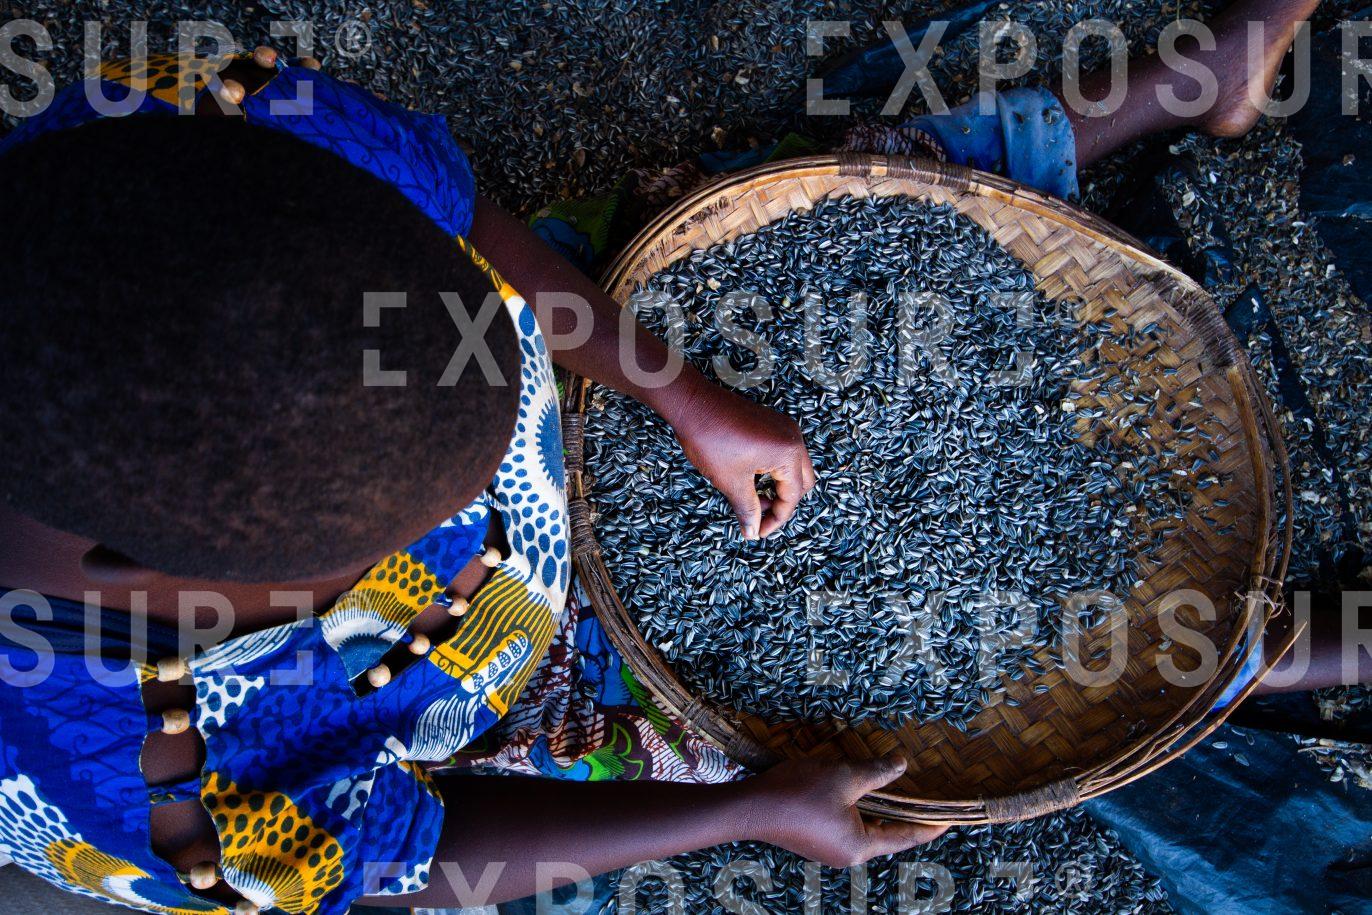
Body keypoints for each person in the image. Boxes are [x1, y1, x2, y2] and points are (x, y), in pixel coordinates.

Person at [0, 1, 1343, 914]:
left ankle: (1181, 91)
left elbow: (461, 216)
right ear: (129, 572)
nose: (485, 503)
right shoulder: (143, 786)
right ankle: (1252, 654)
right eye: (371, 549)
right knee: (902, 701)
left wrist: (675, 385)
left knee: (868, 198)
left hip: (591, 372)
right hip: (515, 678)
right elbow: (416, 858)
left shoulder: (190, 126)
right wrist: (743, 819)